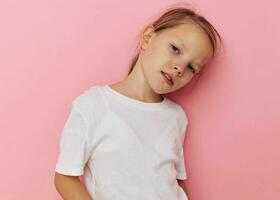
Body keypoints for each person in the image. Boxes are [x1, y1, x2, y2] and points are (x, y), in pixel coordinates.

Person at [54, 5, 222, 200]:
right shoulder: (94, 104)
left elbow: (176, 180)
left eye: (192, 67)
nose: (179, 68)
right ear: (148, 37)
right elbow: (65, 177)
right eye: (175, 49)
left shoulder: (176, 117)